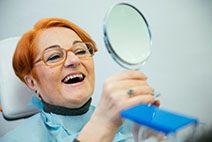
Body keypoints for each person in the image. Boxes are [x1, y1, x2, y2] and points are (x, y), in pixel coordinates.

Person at [0, 18, 158, 142]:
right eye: (54, 56)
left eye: (81, 50)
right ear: (32, 82)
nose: (74, 60)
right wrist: (103, 125)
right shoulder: (17, 140)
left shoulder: (129, 121)